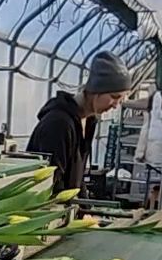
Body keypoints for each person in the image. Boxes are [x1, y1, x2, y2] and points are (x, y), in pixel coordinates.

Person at [26, 50, 135, 195]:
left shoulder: (89, 122)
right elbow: (50, 184)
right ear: (97, 90)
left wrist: (86, 208)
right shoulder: (59, 124)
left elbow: (77, 178)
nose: (116, 105)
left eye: (120, 100)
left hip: (67, 209)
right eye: (114, 97)